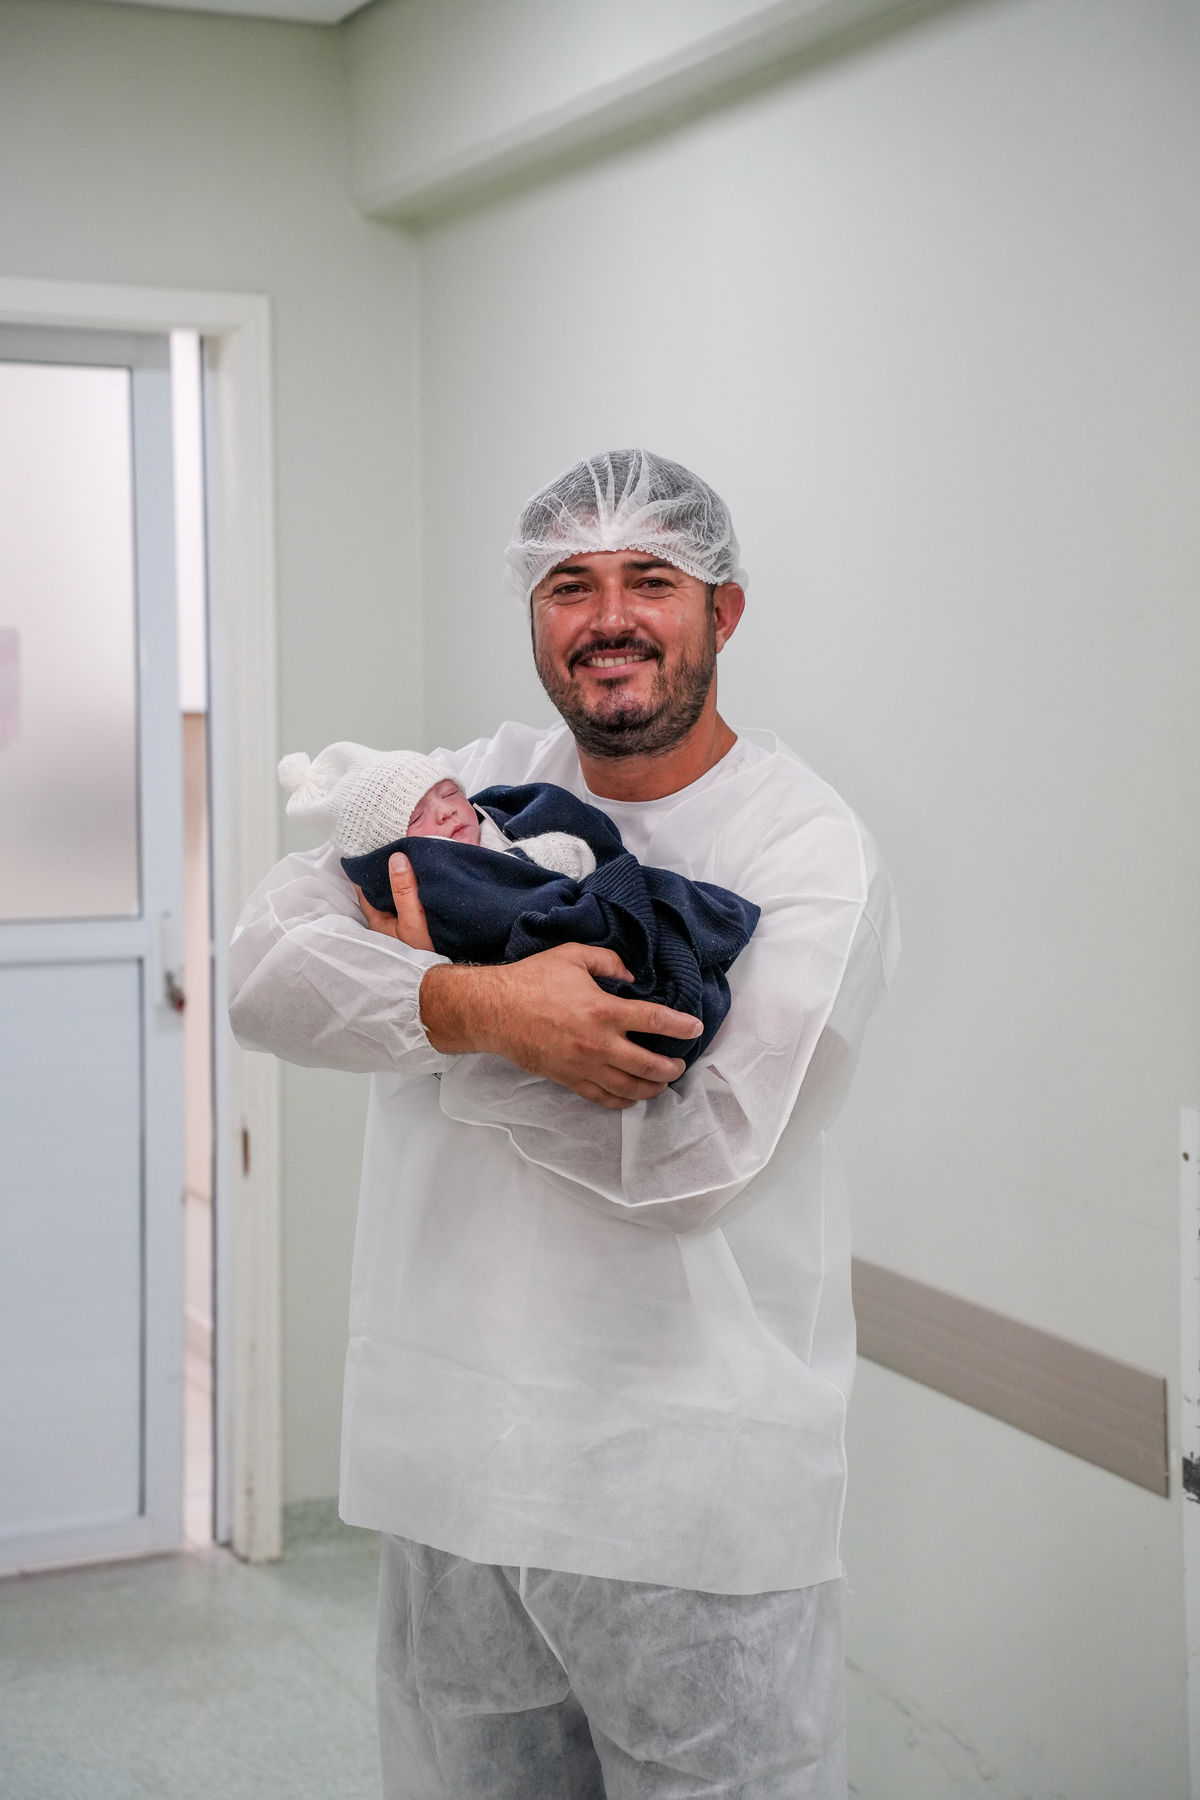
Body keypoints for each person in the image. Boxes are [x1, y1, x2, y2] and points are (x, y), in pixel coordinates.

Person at [229, 447, 899, 1799]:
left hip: (688, 1494)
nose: (609, 617)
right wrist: (484, 1007)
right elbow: (264, 974)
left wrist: (451, 1029)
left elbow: (698, 1161)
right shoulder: (466, 788)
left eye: (653, 579)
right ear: (533, 616)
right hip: (455, 1465)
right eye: (568, 585)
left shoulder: (805, 849)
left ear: (724, 611)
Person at [275, 740, 761, 1070]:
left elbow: (588, 837)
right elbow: (274, 977)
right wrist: (449, 990)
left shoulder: (504, 809)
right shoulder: (435, 878)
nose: (444, 811)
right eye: (417, 817)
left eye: (449, 793)